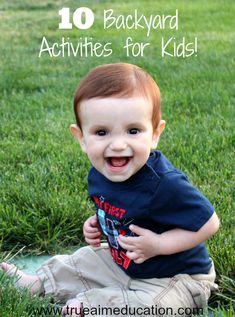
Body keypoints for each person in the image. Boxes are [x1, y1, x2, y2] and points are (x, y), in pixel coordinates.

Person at [1, 63, 220, 317]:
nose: (117, 144)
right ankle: (39, 283)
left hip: (176, 277)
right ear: (82, 137)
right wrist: (97, 223)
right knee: (84, 260)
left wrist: (160, 244)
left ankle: (93, 307)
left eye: (133, 130)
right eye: (102, 132)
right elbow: (117, 209)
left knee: (153, 307)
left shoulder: (164, 183)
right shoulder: (100, 174)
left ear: (155, 134)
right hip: (125, 263)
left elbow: (210, 223)